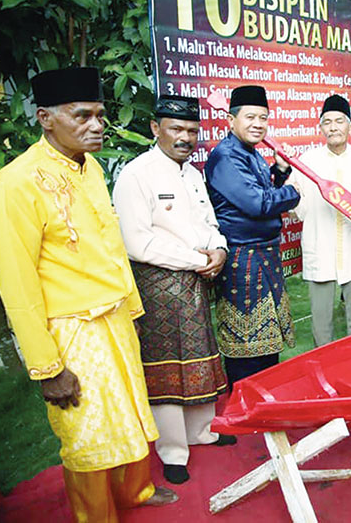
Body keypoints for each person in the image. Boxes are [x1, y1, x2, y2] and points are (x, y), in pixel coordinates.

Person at [0, 67, 176, 521]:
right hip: (70, 329)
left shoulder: (86, 167)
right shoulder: (15, 185)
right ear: (45, 118)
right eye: (82, 115)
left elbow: (105, 245)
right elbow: (17, 284)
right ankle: (97, 516)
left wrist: (131, 310)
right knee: (87, 432)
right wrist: (48, 367)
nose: (96, 125)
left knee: (128, 413)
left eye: (101, 115)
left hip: (114, 320)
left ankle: (135, 492)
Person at [113, 95, 235, 485]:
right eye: (176, 129)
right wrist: (200, 260)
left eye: (192, 131)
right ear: (155, 129)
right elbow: (137, 243)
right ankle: (173, 451)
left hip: (196, 284)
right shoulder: (137, 175)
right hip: (158, 287)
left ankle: (201, 432)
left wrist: (220, 247)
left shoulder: (193, 174)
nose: (185, 138)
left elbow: (209, 223)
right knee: (167, 369)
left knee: (199, 358)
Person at [204, 85, 300, 384]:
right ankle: (245, 418)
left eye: (263, 117)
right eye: (250, 117)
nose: (258, 124)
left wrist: (280, 173)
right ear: (231, 121)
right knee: (246, 351)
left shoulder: (253, 154)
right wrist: (293, 192)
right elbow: (257, 204)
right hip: (243, 263)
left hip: (264, 259)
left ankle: (266, 415)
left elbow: (264, 192)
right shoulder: (226, 157)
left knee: (267, 351)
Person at [289, 95, 351, 346]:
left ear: (350, 126)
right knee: (321, 322)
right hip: (321, 247)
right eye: (327, 122)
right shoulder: (308, 161)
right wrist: (291, 192)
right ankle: (324, 375)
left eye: (339, 121)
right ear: (320, 128)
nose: (333, 127)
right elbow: (299, 209)